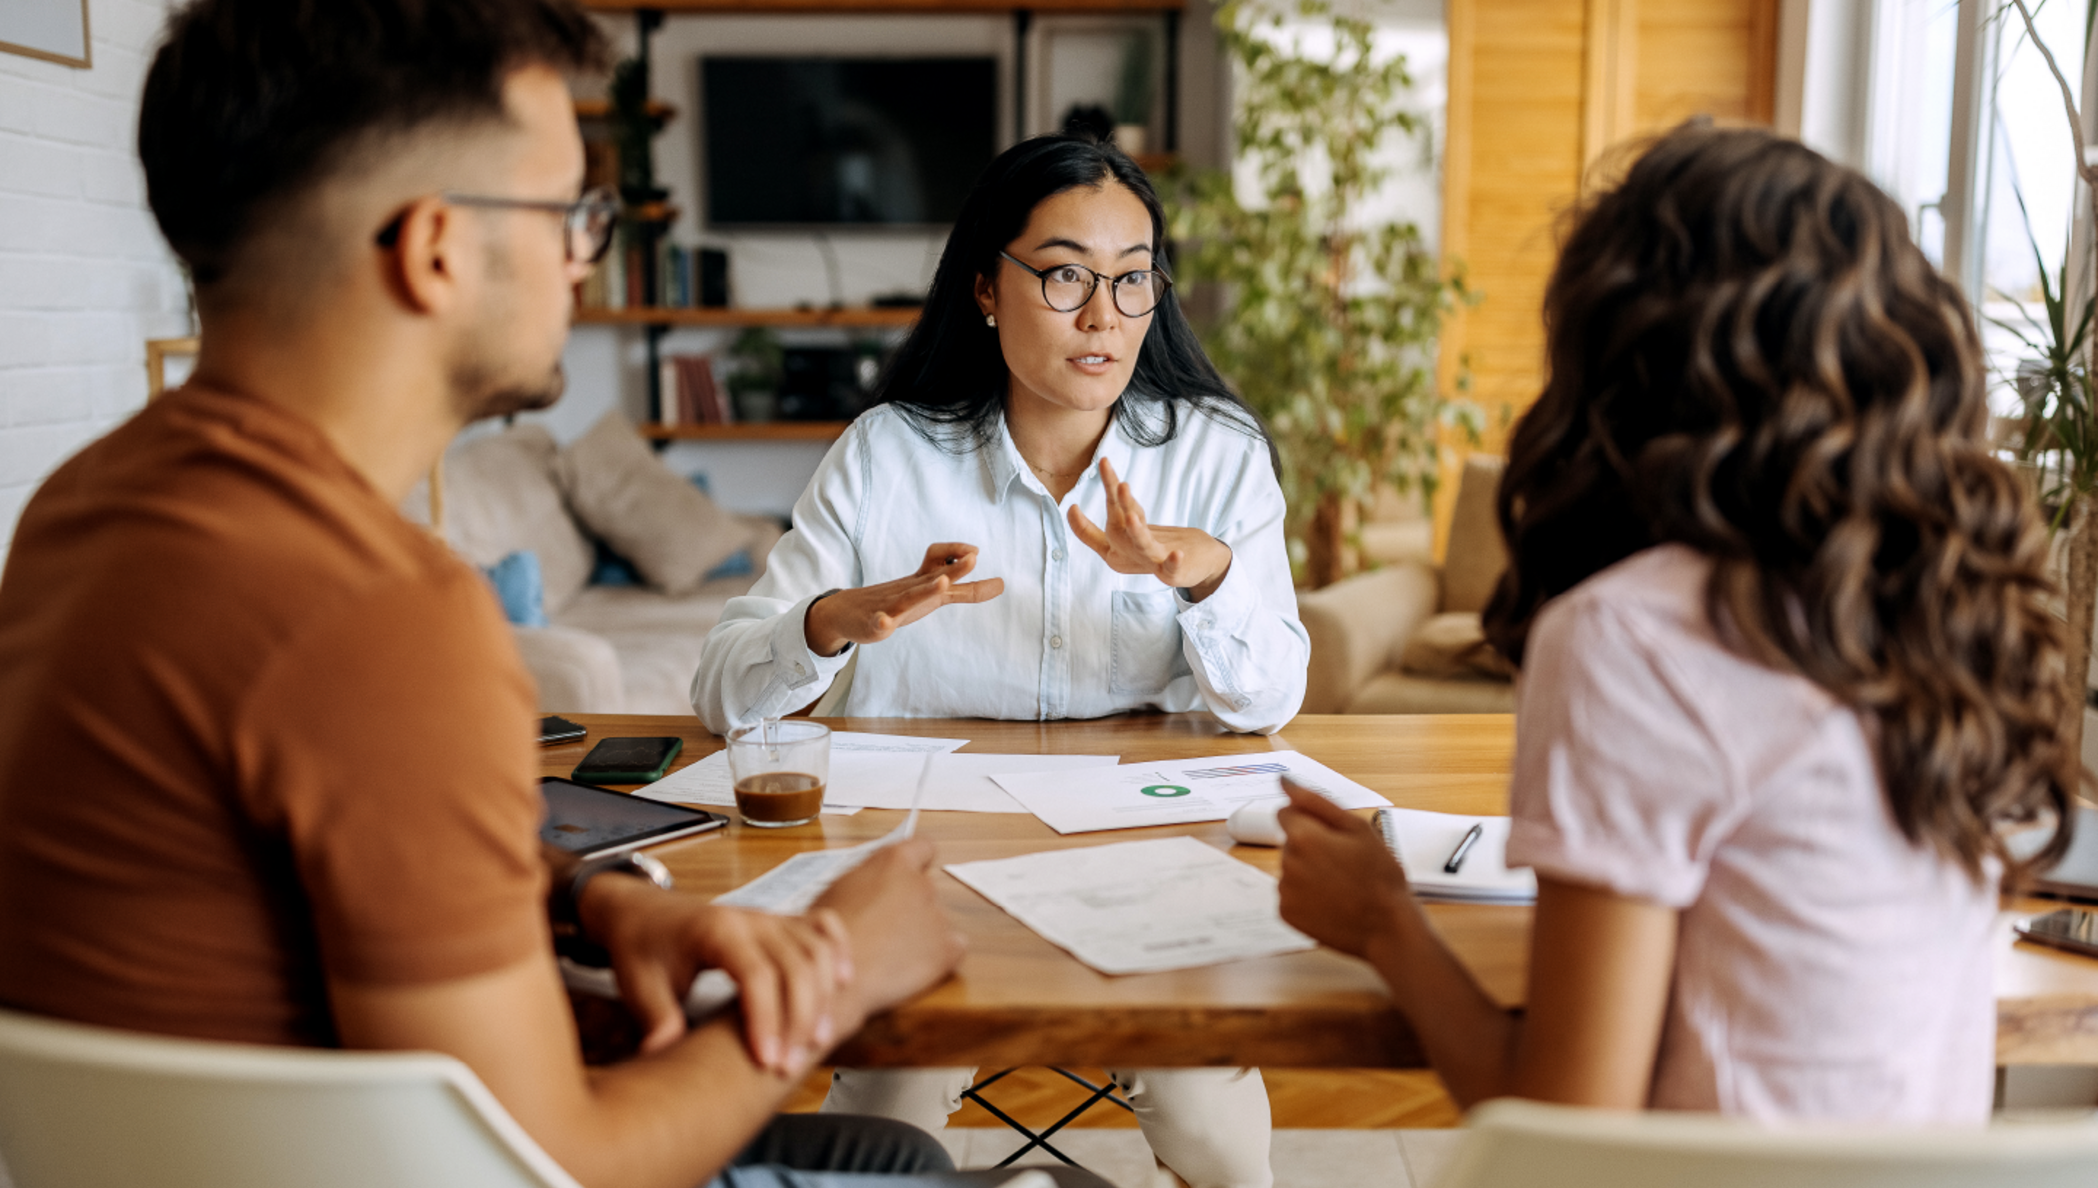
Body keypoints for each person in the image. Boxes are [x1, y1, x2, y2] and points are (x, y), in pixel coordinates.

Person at [0, 3, 1111, 1187]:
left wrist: (587, 900)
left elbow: (312, 856)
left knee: (878, 1146)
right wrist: (840, 960)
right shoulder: (378, 614)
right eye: (571, 212)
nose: (587, 255)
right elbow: (555, 1165)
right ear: (435, 249)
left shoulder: (80, 506)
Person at [1275, 122, 2079, 1123]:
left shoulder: (1632, 634)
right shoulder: (1938, 604)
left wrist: (1384, 923)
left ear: (1622, 353)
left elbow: (1568, 1133)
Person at [691, 135, 1306, 1187]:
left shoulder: (1215, 451)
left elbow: (1268, 703)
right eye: (1065, 273)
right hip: (927, 861)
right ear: (986, 286)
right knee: (881, 1127)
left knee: (1215, 1132)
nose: (1102, 313)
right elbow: (719, 693)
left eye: (1131, 278)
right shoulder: (888, 453)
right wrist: (833, 620)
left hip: (1146, 861)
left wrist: (1199, 573)